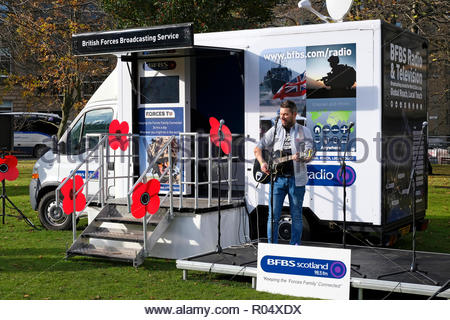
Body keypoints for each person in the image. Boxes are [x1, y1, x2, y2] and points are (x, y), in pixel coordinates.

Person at [254, 100, 314, 245]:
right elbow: (258, 148)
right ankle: (271, 249)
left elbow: (310, 153)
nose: (282, 117)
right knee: (272, 217)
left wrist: (304, 157)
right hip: (277, 180)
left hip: (296, 179)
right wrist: (262, 163)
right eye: (281, 114)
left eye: (286, 114)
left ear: (294, 114)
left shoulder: (304, 131)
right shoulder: (275, 129)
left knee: (297, 216)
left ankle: (294, 248)